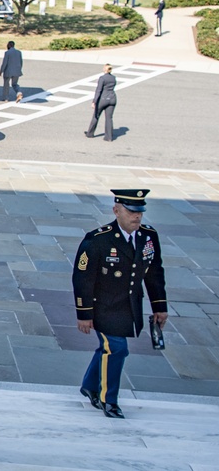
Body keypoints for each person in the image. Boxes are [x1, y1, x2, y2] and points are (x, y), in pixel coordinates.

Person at [73, 189, 167, 419]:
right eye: (131, 212)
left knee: (109, 349)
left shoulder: (148, 237)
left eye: (140, 212)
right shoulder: (98, 240)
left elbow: (153, 273)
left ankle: (89, 385)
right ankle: (109, 400)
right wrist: (84, 313)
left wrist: (159, 306)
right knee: (117, 349)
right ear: (116, 211)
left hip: (129, 308)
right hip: (103, 307)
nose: (137, 217)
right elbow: (82, 278)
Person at [85, 64, 117, 141]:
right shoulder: (113, 78)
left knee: (96, 116)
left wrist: (94, 101)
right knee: (109, 118)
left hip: (103, 99)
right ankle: (108, 137)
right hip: (112, 98)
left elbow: (98, 90)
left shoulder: (102, 78)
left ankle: (90, 133)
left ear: (105, 69)